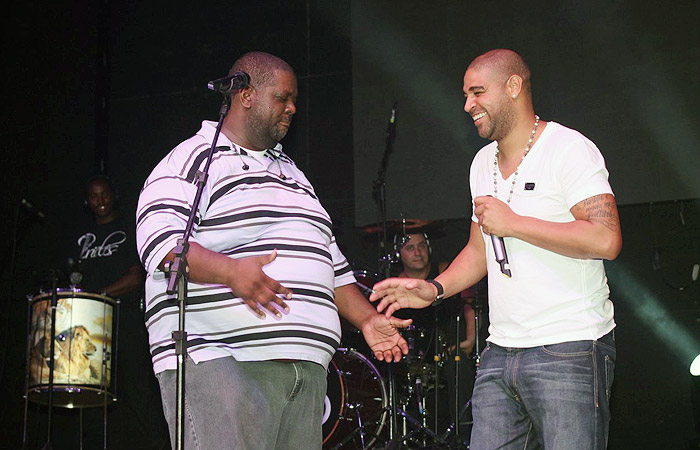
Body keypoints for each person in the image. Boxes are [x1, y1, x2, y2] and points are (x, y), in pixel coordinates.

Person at [135, 51, 411, 450]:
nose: (293, 108)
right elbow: (162, 245)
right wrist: (231, 272)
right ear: (245, 94)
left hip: (305, 373)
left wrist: (366, 319)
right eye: (283, 97)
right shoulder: (194, 159)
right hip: (222, 361)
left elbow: (331, 265)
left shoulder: (293, 175)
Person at [371, 48, 622, 450]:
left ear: (513, 87)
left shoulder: (567, 148)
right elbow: (478, 250)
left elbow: (606, 240)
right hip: (500, 352)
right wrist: (434, 289)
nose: (468, 105)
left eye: (477, 92)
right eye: (466, 95)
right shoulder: (481, 163)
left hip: (570, 347)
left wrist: (515, 223)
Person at [394, 232, 477, 438]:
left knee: (459, 365)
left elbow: (470, 306)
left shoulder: (445, 272)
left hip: (447, 348)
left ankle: (463, 434)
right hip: (409, 353)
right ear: (399, 254)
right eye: (410, 248)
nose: (418, 252)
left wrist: (470, 340)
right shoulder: (393, 282)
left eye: (422, 245)